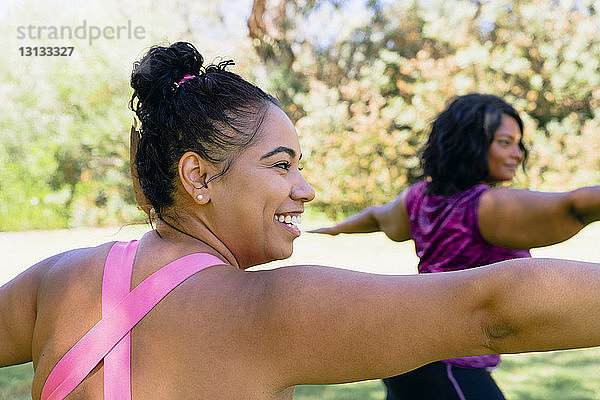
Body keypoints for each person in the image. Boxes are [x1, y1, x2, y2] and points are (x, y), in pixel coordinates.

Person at [1, 43, 600, 400]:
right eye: (281, 165)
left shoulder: (60, 278)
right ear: (199, 177)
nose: (305, 189)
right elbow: (493, 309)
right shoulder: (264, 312)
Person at [310, 93, 600, 400]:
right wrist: (335, 230)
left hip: (402, 356)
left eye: (518, 143)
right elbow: (574, 207)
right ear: (470, 144)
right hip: (446, 364)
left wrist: (336, 228)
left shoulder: (418, 198)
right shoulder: (486, 206)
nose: (517, 153)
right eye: (505, 142)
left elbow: (376, 217)